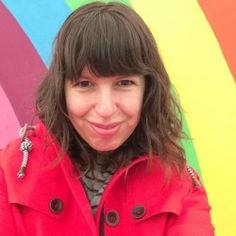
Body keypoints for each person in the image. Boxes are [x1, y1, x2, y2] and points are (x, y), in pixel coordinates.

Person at [0, 1, 214, 235]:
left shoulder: (182, 188)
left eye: (124, 83)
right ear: (61, 91)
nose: (105, 109)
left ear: (147, 91)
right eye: (85, 84)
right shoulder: (9, 174)